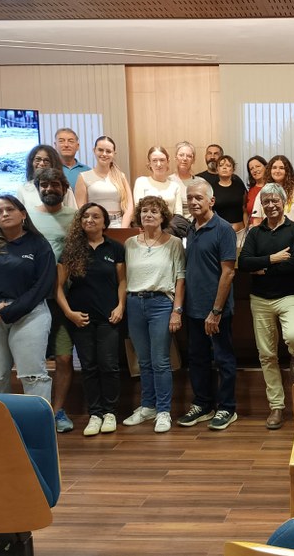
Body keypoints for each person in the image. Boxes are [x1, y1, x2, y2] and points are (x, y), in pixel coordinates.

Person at [239, 183, 294, 429]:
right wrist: (273, 258)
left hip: (289, 296)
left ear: (283, 203)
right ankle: (276, 407)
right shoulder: (255, 233)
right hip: (260, 299)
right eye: (266, 201)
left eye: (274, 201)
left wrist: (263, 268)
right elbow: (244, 262)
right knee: (267, 355)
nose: (270, 205)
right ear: (261, 205)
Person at [0, 195, 55, 402]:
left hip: (30, 314)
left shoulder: (39, 244)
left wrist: (14, 309)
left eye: (10, 209)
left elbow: (44, 283)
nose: (4, 214)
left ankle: (37, 422)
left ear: (23, 214)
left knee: (32, 375)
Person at [57, 203, 126, 436]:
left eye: (96, 216)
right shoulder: (71, 250)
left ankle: (110, 413)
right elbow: (57, 287)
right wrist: (69, 313)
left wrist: (120, 306)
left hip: (109, 317)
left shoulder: (115, 248)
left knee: (109, 365)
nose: (90, 220)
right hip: (81, 318)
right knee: (89, 366)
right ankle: (95, 414)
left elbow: (122, 281)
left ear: (105, 222)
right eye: (85, 216)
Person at [177, 179, 240, 431]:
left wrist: (215, 311)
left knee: (223, 359)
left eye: (198, 198)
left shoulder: (223, 229)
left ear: (211, 201)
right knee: (197, 358)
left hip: (216, 310)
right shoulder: (190, 228)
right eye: (190, 198)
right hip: (193, 308)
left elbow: (228, 273)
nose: (193, 202)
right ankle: (203, 404)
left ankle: (227, 407)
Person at [123, 196, 185, 433]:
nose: (148, 215)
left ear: (163, 217)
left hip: (161, 303)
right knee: (143, 360)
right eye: (145, 211)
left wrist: (177, 311)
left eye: (154, 211)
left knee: (160, 360)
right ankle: (147, 406)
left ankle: (163, 411)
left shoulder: (174, 243)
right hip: (134, 302)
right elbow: (123, 277)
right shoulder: (129, 244)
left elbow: (180, 278)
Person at [26, 168, 78, 433]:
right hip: (30, 298)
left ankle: (57, 411)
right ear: (38, 188)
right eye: (44, 185)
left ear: (64, 188)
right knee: (32, 359)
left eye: (55, 184)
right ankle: (36, 412)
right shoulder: (27, 216)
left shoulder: (75, 217)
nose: (49, 189)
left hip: (62, 298)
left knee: (64, 358)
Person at [75, 135, 134, 227]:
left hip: (118, 223)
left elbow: (129, 206)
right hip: (94, 224)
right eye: (100, 150)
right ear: (94, 150)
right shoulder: (83, 177)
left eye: (108, 151)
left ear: (114, 154)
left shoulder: (121, 176)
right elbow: (81, 208)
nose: (104, 154)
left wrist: (123, 228)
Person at [250, 155, 294, 231]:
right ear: (270, 170)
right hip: (268, 236)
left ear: (287, 171)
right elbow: (257, 220)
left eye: (281, 168)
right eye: (274, 168)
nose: (277, 171)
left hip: (292, 236)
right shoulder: (263, 192)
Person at [16, 144, 77, 209]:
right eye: (37, 159)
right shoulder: (23, 189)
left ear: (54, 163)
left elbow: (73, 212)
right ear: (31, 162)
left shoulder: (63, 187)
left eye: (46, 160)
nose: (42, 163)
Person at [132, 146, 183, 218]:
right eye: (154, 160)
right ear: (149, 163)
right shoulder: (141, 182)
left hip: (171, 224)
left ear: (168, 162)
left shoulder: (175, 186)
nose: (159, 164)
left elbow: (178, 214)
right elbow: (139, 210)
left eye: (162, 160)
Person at [210, 155, 248, 247]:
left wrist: (247, 229)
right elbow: (209, 212)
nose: (224, 168)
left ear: (233, 169)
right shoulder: (211, 188)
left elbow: (245, 208)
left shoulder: (239, 185)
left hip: (240, 232)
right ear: (217, 169)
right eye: (221, 165)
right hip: (220, 233)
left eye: (228, 165)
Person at [168, 140, 197, 220]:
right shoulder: (167, 181)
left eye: (189, 156)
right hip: (172, 224)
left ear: (193, 160)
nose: (184, 159)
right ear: (175, 158)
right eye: (181, 155)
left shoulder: (199, 183)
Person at [246, 155, 268, 221]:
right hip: (253, 226)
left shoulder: (273, 188)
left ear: (266, 167)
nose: (255, 170)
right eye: (251, 169)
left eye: (258, 166)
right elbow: (246, 212)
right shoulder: (250, 191)